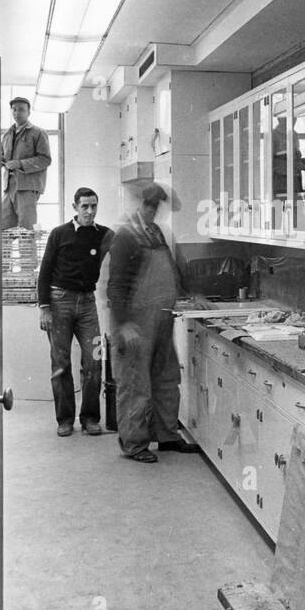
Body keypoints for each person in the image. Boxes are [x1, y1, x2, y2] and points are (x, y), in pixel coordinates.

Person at [107, 182, 197, 462]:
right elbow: (115, 287)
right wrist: (123, 324)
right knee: (136, 386)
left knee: (166, 379)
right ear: (139, 205)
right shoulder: (126, 236)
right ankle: (134, 444)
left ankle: (167, 436)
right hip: (135, 325)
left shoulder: (155, 233)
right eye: (148, 205)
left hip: (162, 319)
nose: (151, 211)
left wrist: (191, 295)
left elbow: (171, 270)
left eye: (156, 206)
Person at [37, 188, 112, 437]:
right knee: (60, 364)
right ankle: (65, 420)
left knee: (94, 359)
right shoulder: (60, 234)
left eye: (93, 206)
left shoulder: (103, 235)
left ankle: (90, 417)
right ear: (75, 207)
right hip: (60, 302)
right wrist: (45, 308)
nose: (90, 212)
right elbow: (45, 272)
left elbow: (124, 250)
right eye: (85, 207)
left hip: (88, 303)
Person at [0, 96, 52, 229]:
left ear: (29, 112)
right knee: (4, 230)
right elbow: (2, 157)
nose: (17, 113)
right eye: (14, 110)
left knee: (27, 231)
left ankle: (28, 251)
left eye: (22, 110)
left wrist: (20, 163)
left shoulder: (38, 133)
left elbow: (45, 159)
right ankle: (3, 251)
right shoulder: (6, 135)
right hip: (8, 188)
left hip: (27, 187)